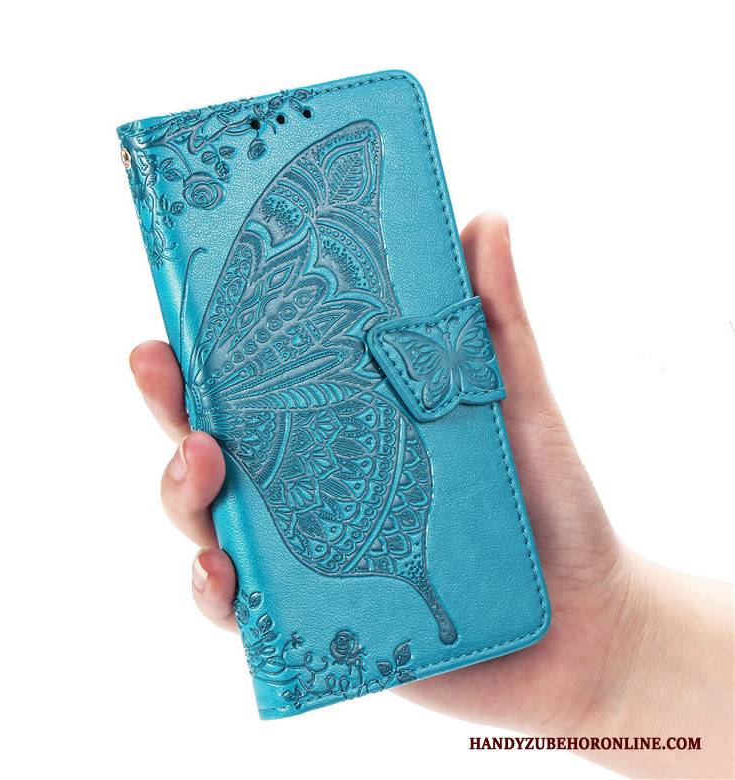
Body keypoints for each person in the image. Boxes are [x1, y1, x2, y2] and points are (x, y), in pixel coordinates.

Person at [129, 211, 734, 778]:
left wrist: (618, 656)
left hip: (340, 450)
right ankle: (425, 593)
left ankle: (423, 590)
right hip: (332, 447)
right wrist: (612, 661)